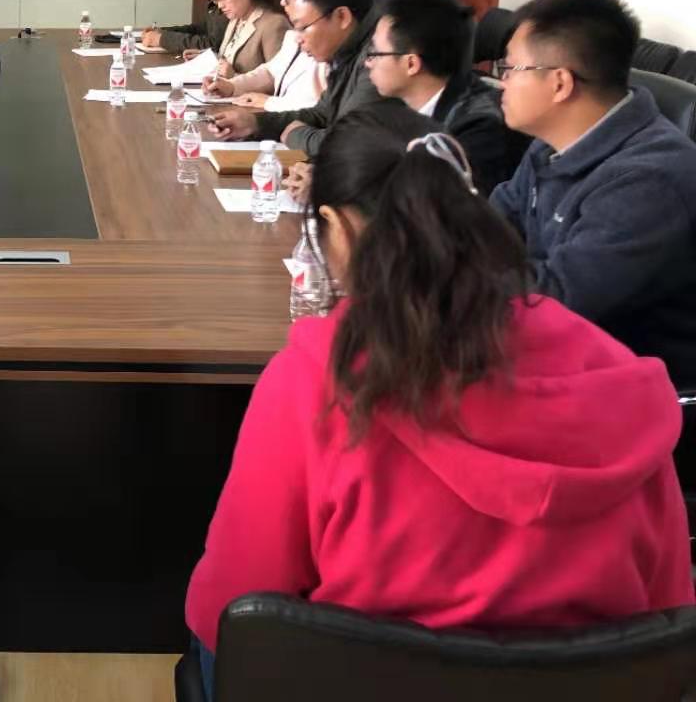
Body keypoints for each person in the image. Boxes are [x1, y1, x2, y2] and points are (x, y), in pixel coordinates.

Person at [185, 102, 692, 699]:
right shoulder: (618, 376)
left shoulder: (315, 377)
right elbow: (669, 612)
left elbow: (233, 603)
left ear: (337, 228)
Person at [491, 0, 696, 384]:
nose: (501, 82)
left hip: (632, 385)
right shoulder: (551, 142)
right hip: (554, 354)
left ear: (560, 84)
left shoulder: (650, 181)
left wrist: (450, 277)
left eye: (511, 69)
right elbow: (491, 222)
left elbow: (556, 303)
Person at [365, 0, 527, 195]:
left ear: (411, 64)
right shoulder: (397, 105)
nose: (368, 62)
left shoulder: (478, 131)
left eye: (375, 53)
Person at [209, 0, 379, 156]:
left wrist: (295, 134)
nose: (297, 39)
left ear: (342, 17)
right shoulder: (343, 54)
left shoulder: (376, 62)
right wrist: (255, 123)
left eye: (303, 28)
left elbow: (348, 144)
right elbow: (321, 114)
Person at [201, 0, 339, 113]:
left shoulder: (330, 45)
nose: (283, 1)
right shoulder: (293, 35)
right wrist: (231, 86)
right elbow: (271, 71)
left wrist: (269, 102)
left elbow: (319, 109)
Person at [206, 0, 289, 77]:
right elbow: (227, 61)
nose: (220, 5)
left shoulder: (274, 24)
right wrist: (208, 59)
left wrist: (234, 76)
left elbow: (280, 80)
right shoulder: (236, 19)